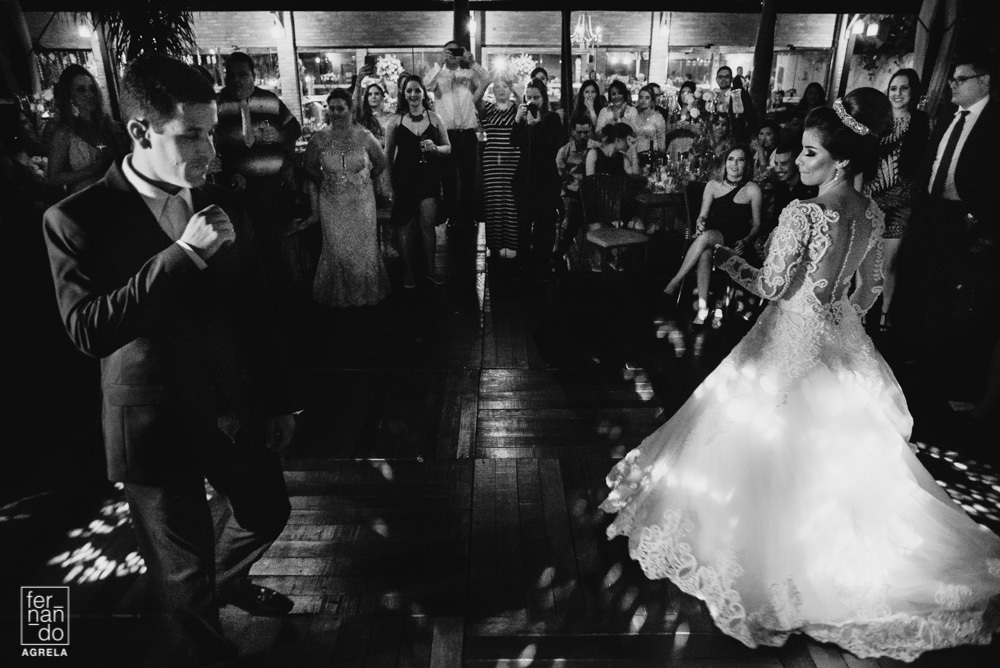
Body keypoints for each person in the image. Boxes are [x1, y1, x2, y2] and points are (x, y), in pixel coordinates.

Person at [603, 87, 1000, 662]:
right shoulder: (871, 212)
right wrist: (836, 320)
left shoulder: (805, 211)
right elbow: (868, 289)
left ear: (840, 160)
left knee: (754, 438)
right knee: (835, 452)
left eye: (810, 152)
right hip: (837, 342)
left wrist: (719, 253)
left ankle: (770, 560)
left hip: (787, 340)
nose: (799, 161)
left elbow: (771, 287)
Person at [42, 54, 297, 667]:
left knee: (267, 510)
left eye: (211, 131)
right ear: (140, 132)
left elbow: (258, 308)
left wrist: (283, 397)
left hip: (230, 405)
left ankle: (224, 577)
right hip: (152, 420)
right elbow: (88, 328)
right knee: (182, 586)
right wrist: (181, 255)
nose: (208, 148)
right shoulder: (75, 217)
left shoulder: (221, 199)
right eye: (191, 135)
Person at [893, 56, 1000, 440]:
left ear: (984, 81)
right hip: (932, 215)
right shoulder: (949, 117)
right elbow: (932, 162)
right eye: (952, 79)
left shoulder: (992, 123)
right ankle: (917, 373)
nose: (953, 85)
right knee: (921, 291)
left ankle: (951, 389)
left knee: (959, 305)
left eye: (961, 79)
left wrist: (983, 225)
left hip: (968, 222)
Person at [215, 51, 301, 291]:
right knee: (243, 251)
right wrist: (225, 175)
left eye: (242, 74)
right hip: (235, 192)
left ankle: (280, 301)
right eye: (230, 75)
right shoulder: (218, 105)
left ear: (254, 75)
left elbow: (295, 129)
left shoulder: (270, 101)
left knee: (273, 248)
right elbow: (212, 149)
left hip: (270, 189)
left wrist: (279, 135)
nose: (236, 80)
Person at [299, 88, 389, 307]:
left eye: (341, 108)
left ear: (350, 110)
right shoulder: (320, 138)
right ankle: (339, 293)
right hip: (332, 202)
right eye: (332, 108)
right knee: (337, 248)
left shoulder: (364, 136)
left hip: (361, 202)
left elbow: (381, 162)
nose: (336, 112)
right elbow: (308, 166)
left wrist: (363, 180)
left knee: (362, 247)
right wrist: (325, 181)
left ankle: (365, 292)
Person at [662, 144, 762, 324]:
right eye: (731, 159)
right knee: (705, 253)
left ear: (746, 165)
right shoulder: (712, 186)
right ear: (725, 163)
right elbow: (703, 216)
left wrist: (747, 241)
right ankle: (702, 310)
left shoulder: (752, 189)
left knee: (707, 238)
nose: (734, 164)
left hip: (735, 240)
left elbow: (757, 225)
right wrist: (699, 224)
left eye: (740, 160)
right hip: (712, 236)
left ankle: (675, 281)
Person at [863, 69, 930, 333]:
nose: (898, 93)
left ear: (913, 93)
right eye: (893, 88)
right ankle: (861, 308)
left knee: (889, 263)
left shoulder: (921, 123)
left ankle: (885, 313)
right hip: (872, 198)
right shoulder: (877, 123)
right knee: (866, 261)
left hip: (901, 201)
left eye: (904, 88)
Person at [385, 74, 451, 287]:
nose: (413, 94)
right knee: (406, 226)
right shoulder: (395, 121)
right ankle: (409, 273)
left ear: (423, 92)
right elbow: (387, 155)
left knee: (427, 225)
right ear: (404, 95)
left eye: (416, 90)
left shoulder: (434, 118)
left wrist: (436, 148)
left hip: (428, 177)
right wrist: (387, 184)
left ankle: (431, 270)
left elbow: (448, 148)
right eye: (409, 91)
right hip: (403, 178)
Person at [424, 41, 488, 231]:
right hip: (446, 133)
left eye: (456, 51)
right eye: (449, 51)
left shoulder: (468, 74)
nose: (453, 54)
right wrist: (439, 62)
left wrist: (472, 61)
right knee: (448, 177)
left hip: (467, 132)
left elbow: (486, 80)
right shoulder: (438, 74)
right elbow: (427, 84)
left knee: (468, 177)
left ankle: (468, 216)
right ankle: (451, 215)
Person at [46, 64, 127, 194]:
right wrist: (90, 171)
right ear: (70, 96)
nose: (89, 94)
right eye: (81, 89)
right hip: (87, 198)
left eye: (92, 89)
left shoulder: (109, 125)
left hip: (117, 192)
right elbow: (53, 177)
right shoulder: (65, 132)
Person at [511, 78, 564, 278]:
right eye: (529, 97)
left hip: (546, 177)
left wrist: (537, 125)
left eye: (536, 97)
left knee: (545, 222)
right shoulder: (523, 118)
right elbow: (514, 142)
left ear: (544, 98)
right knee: (523, 221)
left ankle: (542, 262)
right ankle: (522, 262)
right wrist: (518, 121)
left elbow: (551, 145)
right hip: (524, 176)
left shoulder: (552, 118)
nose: (533, 101)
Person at [474, 76, 521, 259]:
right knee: (494, 202)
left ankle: (512, 245)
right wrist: (487, 80)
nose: (502, 90)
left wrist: (514, 87)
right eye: (498, 87)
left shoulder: (517, 108)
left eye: (505, 86)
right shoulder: (488, 108)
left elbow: (524, 100)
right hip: (492, 159)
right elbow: (475, 100)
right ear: (493, 90)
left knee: (511, 202)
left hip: (513, 159)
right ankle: (494, 246)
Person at [554, 111, 600, 263]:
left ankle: (563, 250)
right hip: (571, 193)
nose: (582, 136)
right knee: (575, 210)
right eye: (579, 132)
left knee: (577, 214)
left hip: (590, 194)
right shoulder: (564, 151)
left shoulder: (595, 148)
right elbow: (560, 176)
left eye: (586, 132)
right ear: (573, 131)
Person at [713, 65, 757, 144]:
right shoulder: (712, 96)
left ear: (731, 79)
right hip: (714, 140)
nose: (723, 79)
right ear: (716, 79)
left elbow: (752, 118)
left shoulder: (740, 94)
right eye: (720, 77)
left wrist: (744, 137)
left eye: (726, 77)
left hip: (735, 139)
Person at [634, 85, 667, 161]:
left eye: (647, 98)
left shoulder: (658, 117)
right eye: (641, 97)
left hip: (652, 156)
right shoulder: (635, 115)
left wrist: (661, 159)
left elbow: (661, 141)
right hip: (635, 155)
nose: (643, 100)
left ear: (652, 100)